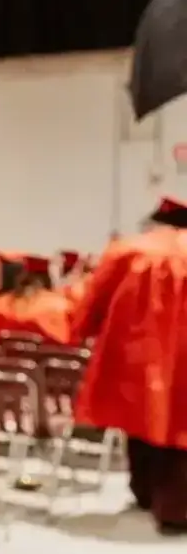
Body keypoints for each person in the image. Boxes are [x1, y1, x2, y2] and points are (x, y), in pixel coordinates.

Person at [74, 197, 187, 531]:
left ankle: (144, 492)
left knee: (139, 424)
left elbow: (92, 304)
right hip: (182, 359)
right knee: (180, 431)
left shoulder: (125, 250)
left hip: (133, 358)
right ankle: (176, 509)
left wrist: (83, 328)